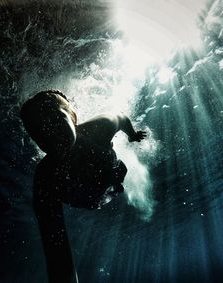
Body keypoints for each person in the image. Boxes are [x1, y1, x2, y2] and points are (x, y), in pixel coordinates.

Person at [20, 90, 146, 283]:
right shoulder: (45, 176)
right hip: (81, 197)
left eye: (54, 118)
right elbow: (56, 248)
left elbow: (121, 117)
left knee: (119, 173)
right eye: (38, 132)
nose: (48, 131)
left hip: (108, 174)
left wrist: (132, 134)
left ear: (73, 117)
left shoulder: (99, 127)